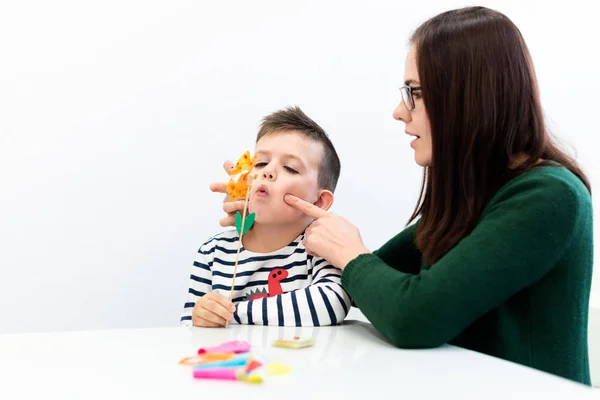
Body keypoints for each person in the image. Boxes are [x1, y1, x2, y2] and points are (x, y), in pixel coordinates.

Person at [211, 7, 594, 385]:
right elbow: (369, 287)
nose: (399, 111)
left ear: (469, 96)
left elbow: (412, 316)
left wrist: (348, 252)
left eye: (415, 93)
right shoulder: (474, 198)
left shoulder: (549, 196)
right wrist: (273, 233)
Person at [181, 106, 351, 328]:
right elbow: (187, 333)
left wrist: (231, 315)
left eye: (290, 168)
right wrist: (200, 318)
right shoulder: (212, 253)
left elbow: (331, 303)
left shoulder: (320, 249)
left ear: (318, 202)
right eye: (260, 163)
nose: (267, 171)